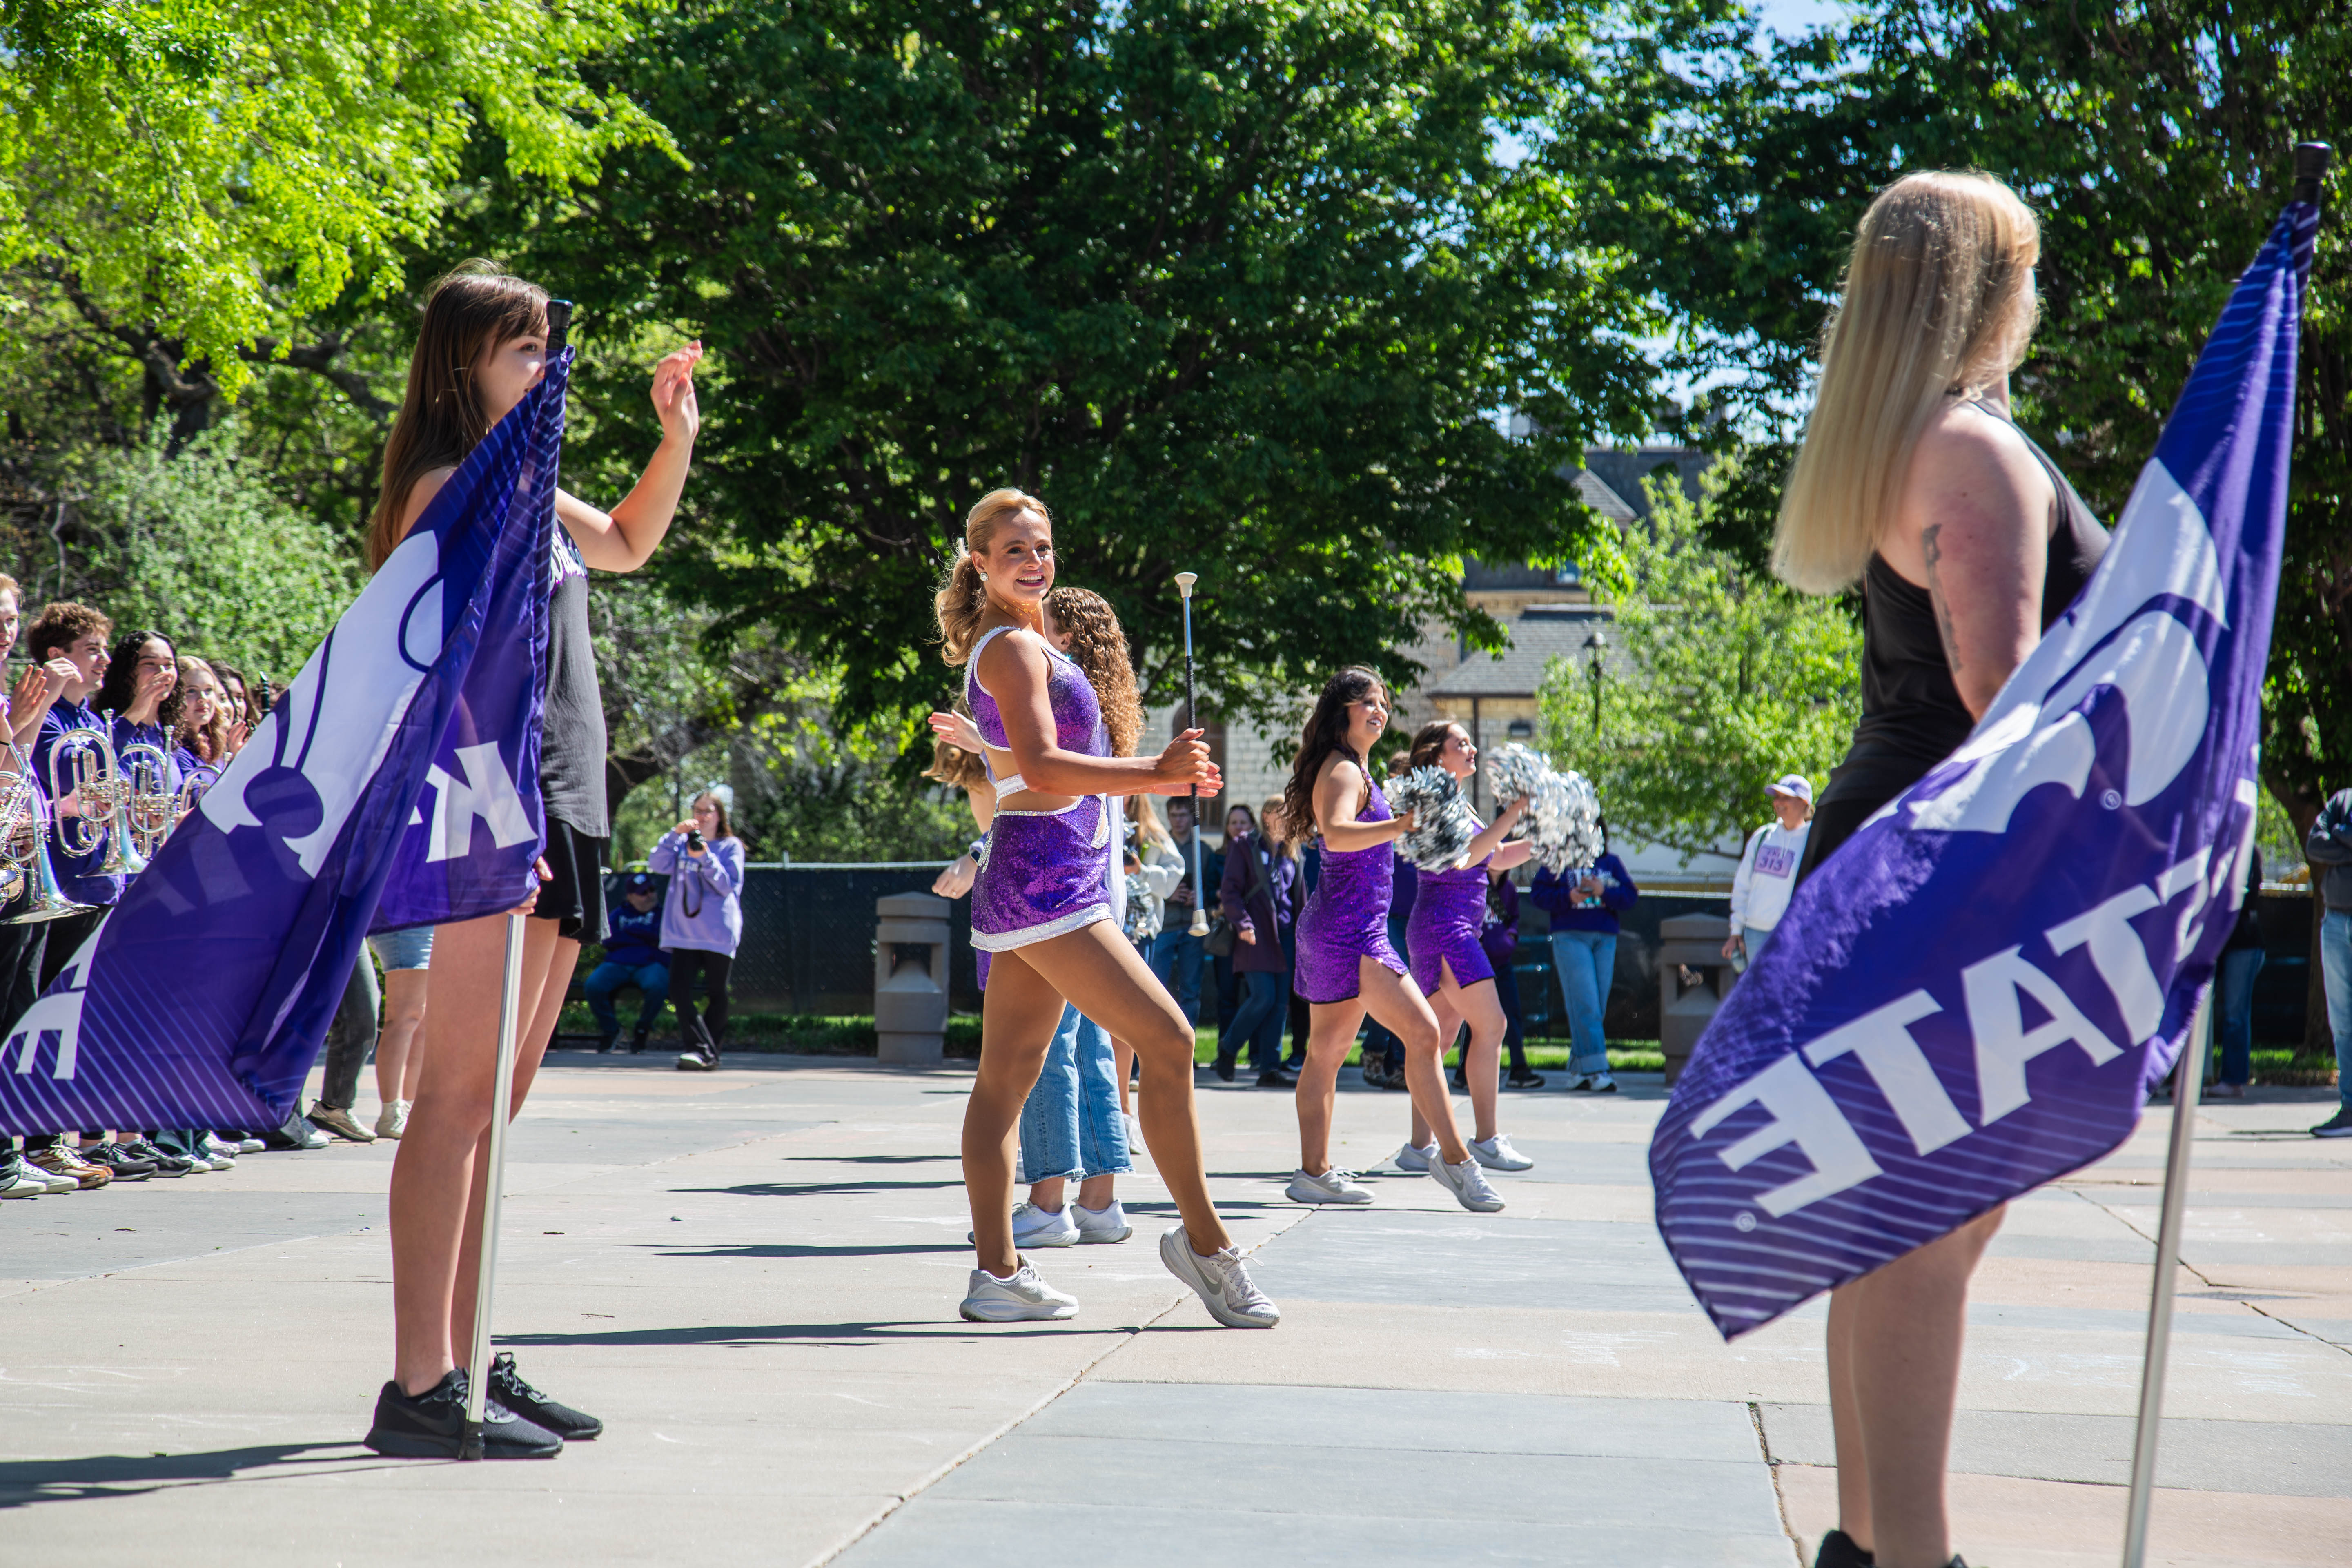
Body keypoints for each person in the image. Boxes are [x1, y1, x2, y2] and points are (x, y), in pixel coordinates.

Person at [1773, 171, 2109, 1568]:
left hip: (1888, 853)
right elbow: (2002, 691)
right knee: (1924, 1232)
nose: (2040, 300)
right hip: (1950, 865)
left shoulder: (1898, 440)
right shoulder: (1968, 447)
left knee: (1897, 1234)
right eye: (2027, 273)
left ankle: (1872, 1546)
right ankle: (1912, 1557)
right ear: (1989, 290)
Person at [373, 261, 702, 1460]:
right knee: (455, 1099)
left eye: (550, 349)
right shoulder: (446, 488)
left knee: (496, 1108)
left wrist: (674, 437)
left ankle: (469, 1351)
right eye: (527, 351)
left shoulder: (528, 485)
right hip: (485, 806)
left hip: (564, 799)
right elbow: (439, 650)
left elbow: (621, 543)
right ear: (466, 360)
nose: (547, 370)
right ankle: (420, 1381)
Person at [935, 486, 1276, 1327]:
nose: (1035, 561)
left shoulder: (1021, 646)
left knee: (1004, 1083)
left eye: (1043, 546)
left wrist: (1002, 751)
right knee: (1167, 1039)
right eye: (1015, 549)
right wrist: (1156, 774)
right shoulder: (1012, 650)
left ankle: (998, 1273)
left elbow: (1023, 764)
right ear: (980, 562)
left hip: (1044, 877)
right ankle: (1206, 1245)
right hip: (1047, 883)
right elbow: (1048, 770)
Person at [1283, 668, 1503, 1214]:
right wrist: (1400, 825)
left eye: (1383, 704)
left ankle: (1314, 1172)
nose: (1379, 711)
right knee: (1425, 1034)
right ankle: (1456, 1162)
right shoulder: (1341, 770)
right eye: (1367, 703)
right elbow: (1335, 832)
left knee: (1327, 1055)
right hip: (1349, 932)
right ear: (1344, 712)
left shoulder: (1356, 767)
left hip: (1345, 928)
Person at [1389, 720, 1536, 1177]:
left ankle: (1419, 1148)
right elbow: (1467, 857)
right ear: (1437, 756)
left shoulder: (1453, 800)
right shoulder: (1434, 800)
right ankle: (1487, 1139)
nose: (1472, 748)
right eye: (1461, 744)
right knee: (1491, 1024)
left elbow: (1496, 857)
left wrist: (1548, 840)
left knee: (1436, 1038)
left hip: (1444, 928)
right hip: (1446, 929)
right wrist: (1513, 813)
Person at [1529, 820, 1637, 1093]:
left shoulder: (1610, 862)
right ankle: (1598, 1070)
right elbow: (1538, 894)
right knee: (1586, 1004)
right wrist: (1569, 897)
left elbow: (1630, 897)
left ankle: (1579, 1068)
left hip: (1605, 939)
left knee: (1594, 1006)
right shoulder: (1559, 859)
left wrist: (1604, 891)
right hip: (1570, 937)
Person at [652, 791, 745, 1071]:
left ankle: (706, 1052)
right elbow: (657, 864)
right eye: (697, 810)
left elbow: (728, 886)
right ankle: (700, 1050)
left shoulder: (731, 846)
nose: (702, 816)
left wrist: (705, 858)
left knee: (717, 992)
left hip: (717, 932)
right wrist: (673, 834)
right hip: (683, 932)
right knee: (678, 991)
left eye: (708, 811)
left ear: (720, 816)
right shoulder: (680, 843)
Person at [1217, 800, 1301, 1087]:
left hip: (1287, 936)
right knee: (1263, 997)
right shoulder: (1245, 846)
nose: (1289, 819)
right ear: (1267, 816)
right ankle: (1229, 1047)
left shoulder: (1291, 851)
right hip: (1256, 935)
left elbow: (1297, 897)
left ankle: (1269, 1069)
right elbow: (1230, 893)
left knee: (1279, 1004)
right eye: (1283, 814)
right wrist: (1243, 924)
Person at [1725, 775, 1816, 972]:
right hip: (1755, 934)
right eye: (1777, 797)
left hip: (1792, 934)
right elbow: (1743, 886)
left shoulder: (1813, 840)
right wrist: (1736, 932)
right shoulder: (1763, 836)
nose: (1779, 803)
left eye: (1787, 798)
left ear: (1804, 803)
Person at [1149, 795, 1221, 1027]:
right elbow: (1147, 882)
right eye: (1174, 816)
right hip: (1164, 925)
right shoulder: (1158, 846)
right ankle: (1155, 1046)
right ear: (1168, 817)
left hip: (1193, 927)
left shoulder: (1204, 850)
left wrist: (1199, 898)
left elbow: (1213, 888)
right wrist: (1169, 893)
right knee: (1154, 986)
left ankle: (1187, 1049)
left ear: (1191, 817)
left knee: (1191, 989)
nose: (1179, 821)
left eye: (1183, 815)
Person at [2307, 788, 2352, 1137]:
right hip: (2335, 921)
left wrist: (2338, 834)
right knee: (2342, 1022)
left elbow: (2329, 841)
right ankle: (2349, 1107)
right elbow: (2314, 845)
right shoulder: (2342, 801)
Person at [584, 871, 670, 1053]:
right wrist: (644, 936)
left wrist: (630, 933)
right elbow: (608, 939)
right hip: (618, 963)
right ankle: (612, 1031)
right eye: (643, 893)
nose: (650, 896)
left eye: (652, 890)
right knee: (593, 985)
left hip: (651, 965)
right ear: (630, 896)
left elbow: (661, 937)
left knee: (657, 986)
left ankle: (642, 1029)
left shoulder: (664, 914)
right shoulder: (619, 914)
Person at [2205, 846, 2263, 1101]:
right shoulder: (2211, 844)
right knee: (2198, 1015)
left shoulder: (2250, 850)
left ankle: (2233, 1081)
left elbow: (2245, 897)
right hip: (2212, 945)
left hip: (2243, 945)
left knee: (2235, 1015)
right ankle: (2194, 1079)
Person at [367, 926, 432, 1138]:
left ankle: (408, 1108)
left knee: (420, 1023)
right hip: (410, 921)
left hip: (431, 921)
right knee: (405, 1017)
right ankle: (391, 1113)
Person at [1483, 862, 1542, 1088]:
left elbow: (1514, 919)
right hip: (1478, 964)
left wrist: (1511, 938)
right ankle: (1464, 1072)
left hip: (1503, 964)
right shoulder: (1475, 885)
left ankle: (1519, 1068)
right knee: (1474, 1019)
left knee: (1512, 1014)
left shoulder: (1510, 890)